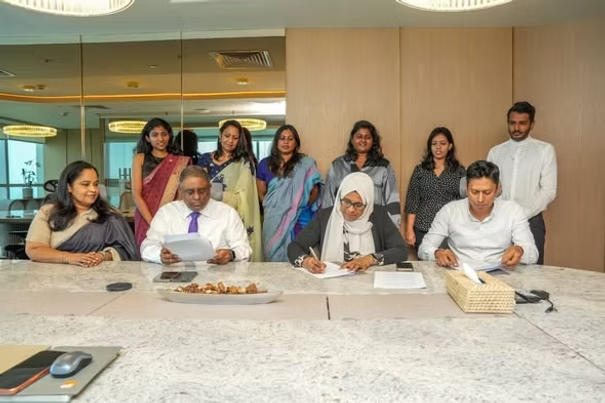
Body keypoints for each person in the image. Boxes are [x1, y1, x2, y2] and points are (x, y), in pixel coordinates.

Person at [418, 160, 538, 269]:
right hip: (461, 273)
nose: (480, 199)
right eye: (474, 192)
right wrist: (437, 253)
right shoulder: (449, 211)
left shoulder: (513, 211)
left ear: (498, 189)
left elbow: (533, 254)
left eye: (487, 192)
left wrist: (520, 250)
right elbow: (424, 249)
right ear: (466, 188)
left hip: (502, 273)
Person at [288, 172, 407, 273]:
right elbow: (295, 247)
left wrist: (369, 259)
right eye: (346, 202)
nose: (350, 209)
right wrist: (306, 261)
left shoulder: (379, 216)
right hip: (332, 283)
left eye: (358, 205)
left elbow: (401, 250)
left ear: (368, 203)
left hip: (370, 283)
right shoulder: (324, 217)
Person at [25, 161, 139, 266]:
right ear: (69, 187)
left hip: (99, 275)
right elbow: (34, 249)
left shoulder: (110, 215)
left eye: (95, 184)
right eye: (85, 184)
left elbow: (126, 250)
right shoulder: (49, 212)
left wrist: (103, 256)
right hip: (56, 277)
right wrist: (69, 257)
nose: (93, 189)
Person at [487, 101, 557, 265]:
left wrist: (520, 215)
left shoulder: (545, 150)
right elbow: (489, 186)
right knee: (498, 268)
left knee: (532, 270)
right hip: (499, 219)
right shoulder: (496, 152)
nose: (516, 128)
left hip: (531, 220)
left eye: (522, 123)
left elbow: (548, 191)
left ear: (532, 124)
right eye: (512, 123)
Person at [140, 166, 251, 265]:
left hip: (216, 276)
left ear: (210, 188)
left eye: (202, 191)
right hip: (174, 275)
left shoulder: (227, 213)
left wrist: (231, 255)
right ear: (180, 191)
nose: (197, 197)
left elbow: (244, 249)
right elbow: (147, 246)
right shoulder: (167, 213)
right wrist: (159, 255)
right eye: (190, 192)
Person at [256, 124, 323, 262]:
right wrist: (274, 208)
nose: (286, 142)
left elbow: (315, 191)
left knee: (300, 252)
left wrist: (298, 205)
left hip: (300, 216)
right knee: (272, 253)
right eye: (282, 138)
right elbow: (262, 193)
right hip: (273, 218)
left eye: (290, 139)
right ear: (276, 141)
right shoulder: (265, 164)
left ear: (296, 142)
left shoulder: (306, 163)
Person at [198, 120, 262, 261]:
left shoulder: (244, 162)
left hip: (232, 216)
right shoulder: (204, 159)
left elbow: (246, 196)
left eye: (235, 137)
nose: (230, 141)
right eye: (227, 136)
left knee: (229, 257)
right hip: (207, 213)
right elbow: (200, 187)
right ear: (220, 135)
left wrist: (218, 193)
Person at [322, 120, 401, 227]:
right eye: (359, 136)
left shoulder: (383, 166)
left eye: (367, 137)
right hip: (342, 226)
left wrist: (394, 228)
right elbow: (328, 199)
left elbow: (392, 198)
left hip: (374, 225)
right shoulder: (338, 165)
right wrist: (327, 226)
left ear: (373, 141)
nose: (363, 140)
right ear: (352, 139)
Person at [404, 127, 466, 251]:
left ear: (450, 146)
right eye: (434, 144)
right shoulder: (420, 170)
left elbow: (464, 201)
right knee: (425, 260)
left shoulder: (459, 171)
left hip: (451, 228)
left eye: (442, 143)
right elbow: (412, 201)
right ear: (430, 146)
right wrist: (409, 230)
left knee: (448, 261)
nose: (438, 147)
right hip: (423, 227)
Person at [131, 118, 190, 248]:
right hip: (145, 216)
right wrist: (152, 222)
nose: (160, 139)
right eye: (155, 135)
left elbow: (182, 195)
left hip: (171, 217)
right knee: (147, 251)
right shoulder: (140, 158)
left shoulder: (180, 162)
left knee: (172, 252)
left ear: (169, 136)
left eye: (164, 134)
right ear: (147, 138)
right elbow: (136, 194)